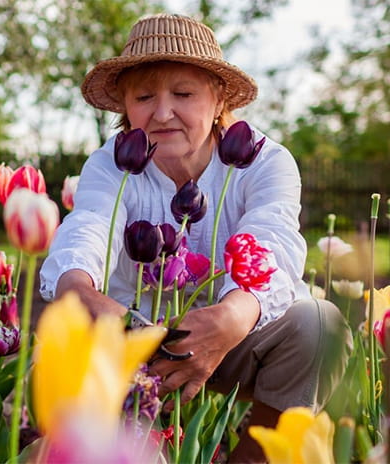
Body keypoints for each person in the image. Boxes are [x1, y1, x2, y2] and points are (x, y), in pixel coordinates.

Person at [38, 13, 351, 462]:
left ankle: (257, 455)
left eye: (183, 94)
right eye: (144, 96)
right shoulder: (111, 166)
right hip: (135, 341)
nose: (162, 113)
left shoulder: (265, 163)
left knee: (320, 326)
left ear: (218, 95)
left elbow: (272, 243)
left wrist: (232, 316)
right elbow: (89, 225)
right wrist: (75, 288)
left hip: (237, 336)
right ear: (124, 104)